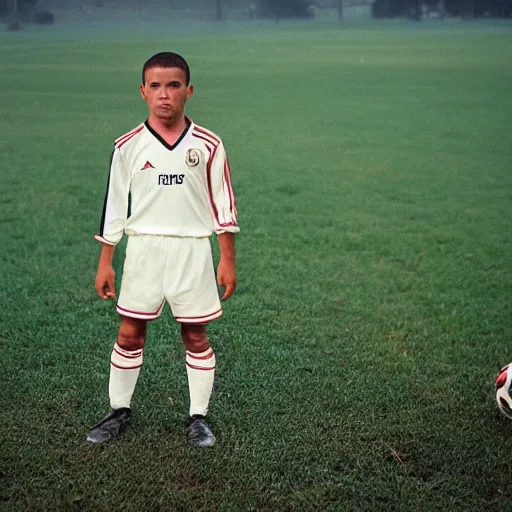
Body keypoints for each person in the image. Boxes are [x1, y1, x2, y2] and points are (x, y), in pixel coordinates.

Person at [86, 52, 239, 447]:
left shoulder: (208, 144)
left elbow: (224, 205)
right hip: (143, 252)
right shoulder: (128, 146)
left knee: (195, 335)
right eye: (155, 86)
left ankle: (198, 418)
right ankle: (119, 410)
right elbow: (114, 208)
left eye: (173, 85)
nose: (164, 95)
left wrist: (227, 259)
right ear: (142, 92)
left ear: (189, 91)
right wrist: (106, 262)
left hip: (192, 251)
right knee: (130, 332)